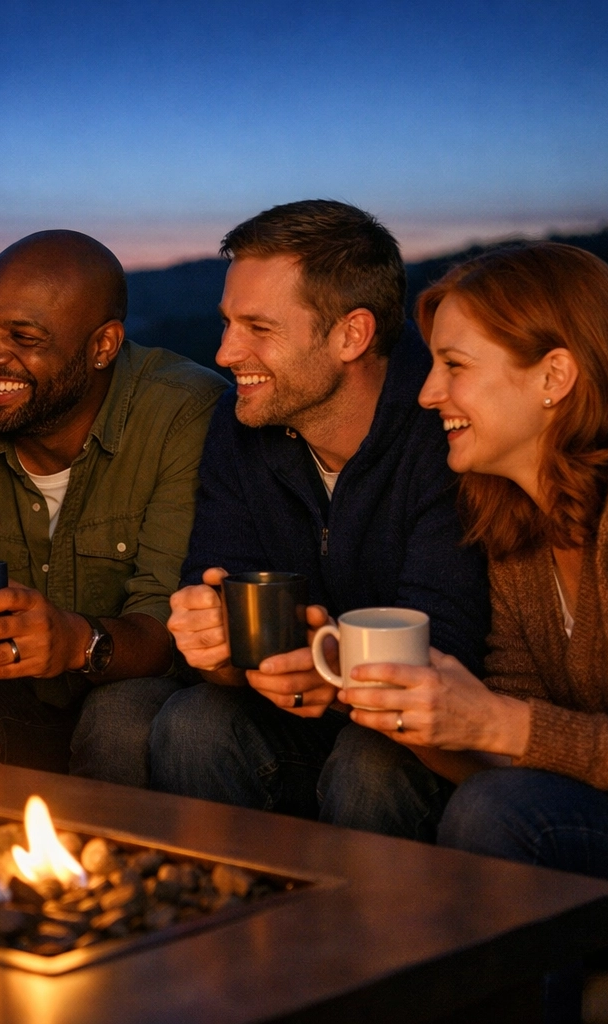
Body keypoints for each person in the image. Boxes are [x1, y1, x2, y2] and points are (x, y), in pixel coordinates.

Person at [345, 243, 608, 985]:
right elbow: (523, 742)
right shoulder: (515, 512)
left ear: (554, 376)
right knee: (458, 791)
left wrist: (495, 723)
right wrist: (410, 717)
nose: (426, 394)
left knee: (499, 814)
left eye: (456, 366)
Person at [149, 200, 488, 839]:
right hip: (300, 714)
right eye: (227, 323)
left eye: (258, 328)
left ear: (351, 335)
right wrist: (214, 646)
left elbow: (449, 647)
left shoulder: (445, 428)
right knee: (193, 723)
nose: (225, 352)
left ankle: (376, 938)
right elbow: (221, 599)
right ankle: (225, 924)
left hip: (427, 728)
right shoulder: (240, 426)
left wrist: (329, 669)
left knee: (373, 763)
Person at [0, 230, 227, 786]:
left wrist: (74, 642)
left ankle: (113, 869)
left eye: (25, 337)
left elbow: (169, 626)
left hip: (132, 692)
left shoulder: (183, 414)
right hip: (4, 701)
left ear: (103, 346)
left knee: (119, 717)